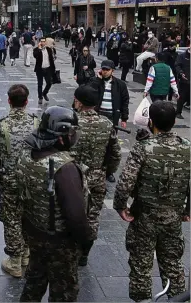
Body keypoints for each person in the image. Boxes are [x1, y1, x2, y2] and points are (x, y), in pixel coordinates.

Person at [7, 106, 92, 302]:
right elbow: (76, 216)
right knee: (63, 292)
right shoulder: (65, 168)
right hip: (60, 242)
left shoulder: (27, 155)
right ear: (61, 136)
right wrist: (85, 241)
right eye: (71, 133)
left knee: (34, 282)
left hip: (34, 233)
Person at [113, 101, 190, 302]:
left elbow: (125, 183)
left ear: (151, 121)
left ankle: (143, 299)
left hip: (144, 217)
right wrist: (187, 209)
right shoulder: (187, 148)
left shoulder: (143, 148)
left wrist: (121, 207)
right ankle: (179, 298)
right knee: (173, 263)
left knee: (141, 263)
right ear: (174, 122)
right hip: (173, 217)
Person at [0, 84, 35, 277]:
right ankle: (26, 255)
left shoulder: (1, 125)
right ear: (27, 101)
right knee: (30, 217)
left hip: (9, 181)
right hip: (32, 180)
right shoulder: (37, 123)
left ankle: (15, 261)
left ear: (9, 101)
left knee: (12, 219)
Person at [71, 85, 121, 266]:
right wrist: (106, 171)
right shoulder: (107, 124)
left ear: (79, 101)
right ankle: (85, 252)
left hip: (73, 177)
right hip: (97, 177)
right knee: (92, 216)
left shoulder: (71, 123)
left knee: (71, 215)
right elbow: (115, 154)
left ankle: (71, 251)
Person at [88, 60, 129, 182]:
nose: (105, 72)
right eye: (103, 69)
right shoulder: (96, 82)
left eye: (107, 70)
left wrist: (124, 118)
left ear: (112, 71)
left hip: (112, 116)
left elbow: (125, 101)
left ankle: (109, 171)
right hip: (98, 115)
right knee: (96, 142)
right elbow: (89, 91)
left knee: (110, 145)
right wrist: (98, 79)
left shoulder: (120, 85)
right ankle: (95, 167)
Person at [33, 37, 56, 105]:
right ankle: (40, 98)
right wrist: (39, 48)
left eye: (44, 41)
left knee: (49, 83)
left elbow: (51, 59)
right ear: (39, 42)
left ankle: (44, 93)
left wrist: (53, 69)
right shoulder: (36, 50)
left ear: (45, 42)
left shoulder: (48, 49)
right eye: (41, 41)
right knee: (40, 84)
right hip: (40, 69)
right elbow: (35, 56)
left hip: (48, 68)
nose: (43, 43)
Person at [175, 47, 190, 119]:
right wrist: (181, 73)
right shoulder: (182, 56)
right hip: (184, 81)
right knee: (182, 96)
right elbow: (177, 65)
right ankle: (178, 112)